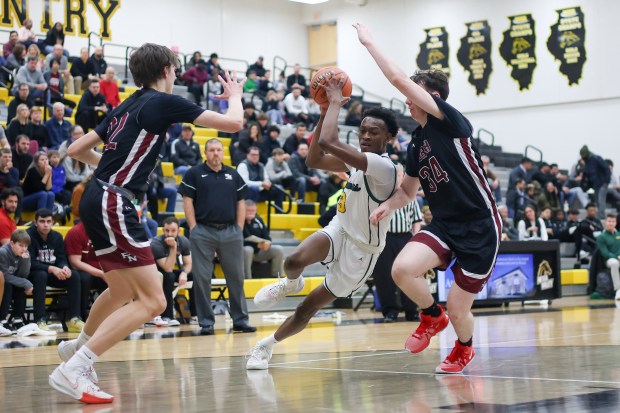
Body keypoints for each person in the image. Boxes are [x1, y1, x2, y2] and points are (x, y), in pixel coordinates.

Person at [48, 43, 245, 404]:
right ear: (168, 69)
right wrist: (235, 95)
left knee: (122, 290)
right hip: (114, 201)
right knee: (153, 301)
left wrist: (112, 172)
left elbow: (76, 150)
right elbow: (234, 123)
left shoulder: (129, 102)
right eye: (175, 66)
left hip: (97, 196)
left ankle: (76, 349)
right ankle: (75, 367)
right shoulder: (162, 101)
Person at [353, 23, 501, 374]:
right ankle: (431, 317)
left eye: (415, 92)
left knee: (459, 308)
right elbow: (408, 191)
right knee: (401, 269)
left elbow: (399, 80)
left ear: (431, 97)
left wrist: (371, 43)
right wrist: (389, 205)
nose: (407, 98)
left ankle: (463, 348)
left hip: (480, 226)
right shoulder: (417, 142)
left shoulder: (449, 122)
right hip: (446, 224)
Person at [246, 76, 399, 370]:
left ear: (388, 138)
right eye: (362, 131)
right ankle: (292, 282)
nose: (365, 136)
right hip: (339, 229)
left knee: (307, 308)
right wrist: (322, 114)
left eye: (374, 132)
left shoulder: (383, 166)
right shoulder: (358, 160)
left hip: (361, 251)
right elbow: (314, 158)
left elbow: (329, 142)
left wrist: (335, 105)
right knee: (293, 260)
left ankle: (266, 347)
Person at [178, 139, 256, 336]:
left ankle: (240, 320)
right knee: (202, 278)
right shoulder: (194, 173)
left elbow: (241, 202)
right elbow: (187, 202)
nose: (215, 153)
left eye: (219, 150)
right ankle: (206, 323)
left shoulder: (233, 174)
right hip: (203, 231)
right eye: (211, 150)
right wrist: (194, 227)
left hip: (231, 232)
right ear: (205, 153)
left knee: (236, 277)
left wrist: (239, 228)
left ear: (223, 153)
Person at [373, 165, 422, 322]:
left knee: (409, 272)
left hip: (405, 237)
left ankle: (411, 310)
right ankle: (390, 310)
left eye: (399, 175)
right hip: (384, 238)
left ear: (403, 177)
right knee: (384, 275)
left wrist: (415, 237)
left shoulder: (410, 195)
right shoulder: (379, 195)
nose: (397, 178)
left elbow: (416, 219)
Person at [27, 208, 85, 332]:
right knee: (41, 275)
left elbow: (61, 258)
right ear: (35, 222)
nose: (46, 224)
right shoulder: (29, 236)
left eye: (49, 221)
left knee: (73, 275)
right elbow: (29, 263)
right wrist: (51, 268)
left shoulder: (57, 237)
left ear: (53, 222)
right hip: (33, 275)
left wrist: (64, 267)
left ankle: (74, 318)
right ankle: (40, 320)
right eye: (42, 221)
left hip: (53, 273)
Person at [149, 217, 192, 326]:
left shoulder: (184, 241)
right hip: (156, 273)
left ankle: (194, 315)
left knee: (193, 275)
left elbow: (188, 263)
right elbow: (167, 268)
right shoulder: (156, 243)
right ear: (163, 231)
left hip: (170, 270)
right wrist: (173, 248)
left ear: (179, 231)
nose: (170, 234)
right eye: (167, 230)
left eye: (173, 231)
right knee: (169, 277)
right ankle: (167, 316)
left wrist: (184, 273)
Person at [65, 221, 108, 321]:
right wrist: (101, 274)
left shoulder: (106, 232)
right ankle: (80, 317)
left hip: (101, 270)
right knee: (84, 278)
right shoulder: (75, 232)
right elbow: (75, 263)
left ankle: (121, 315)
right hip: (82, 271)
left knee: (120, 276)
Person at [0, 229, 32, 335]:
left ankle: (17, 319)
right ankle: (2, 319)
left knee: (20, 285)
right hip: (3, 282)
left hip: (11, 280)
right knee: (9, 285)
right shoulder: (3, 252)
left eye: (26, 246)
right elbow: (4, 276)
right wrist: (26, 283)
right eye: (21, 245)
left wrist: (26, 261)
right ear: (12, 243)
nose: (24, 249)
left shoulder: (25, 254)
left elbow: (23, 275)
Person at [243, 199, 284, 279]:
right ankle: (247, 278)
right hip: (243, 252)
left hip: (259, 251)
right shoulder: (239, 221)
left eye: (253, 211)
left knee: (279, 249)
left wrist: (268, 243)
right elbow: (242, 239)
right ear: (242, 210)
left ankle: (276, 277)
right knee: (248, 249)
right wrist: (257, 245)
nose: (251, 212)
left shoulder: (258, 220)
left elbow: (267, 237)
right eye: (248, 210)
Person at [596, 214, 620, 300]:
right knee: (615, 263)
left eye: (613, 221)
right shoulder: (601, 237)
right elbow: (605, 253)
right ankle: (618, 290)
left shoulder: (619, 234)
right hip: (609, 260)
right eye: (609, 221)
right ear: (605, 223)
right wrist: (617, 257)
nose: (611, 223)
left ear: (616, 223)